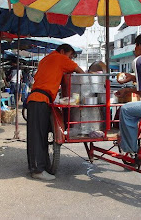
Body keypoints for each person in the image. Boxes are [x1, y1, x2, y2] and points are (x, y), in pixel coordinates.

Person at [27, 44, 84, 181]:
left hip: (38, 99)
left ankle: (41, 166)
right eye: (69, 56)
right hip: (40, 100)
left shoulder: (45, 59)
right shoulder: (60, 58)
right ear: (63, 51)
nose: (69, 59)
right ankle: (37, 170)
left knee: (40, 135)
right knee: (38, 137)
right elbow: (80, 72)